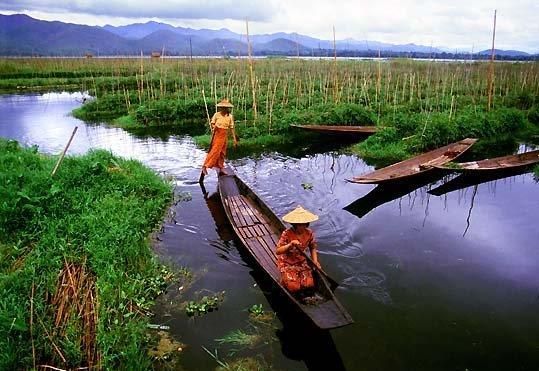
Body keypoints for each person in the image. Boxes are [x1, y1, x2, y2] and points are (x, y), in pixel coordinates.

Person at [276, 206, 321, 298]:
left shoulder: (309, 233)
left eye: (304, 224)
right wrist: (290, 244)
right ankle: (284, 280)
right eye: (299, 224)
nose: (302, 226)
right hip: (287, 262)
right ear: (295, 224)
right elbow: (278, 251)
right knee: (294, 288)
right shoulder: (287, 233)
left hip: (301, 261)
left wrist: (315, 261)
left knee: (308, 285)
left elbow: (313, 248)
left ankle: (294, 278)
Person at [201, 99, 238, 177]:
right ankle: (205, 166)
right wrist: (215, 127)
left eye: (225, 107)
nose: (223, 109)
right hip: (217, 134)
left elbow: (231, 128)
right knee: (215, 151)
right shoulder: (216, 115)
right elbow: (212, 123)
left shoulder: (230, 116)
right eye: (222, 107)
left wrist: (234, 139)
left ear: (228, 108)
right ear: (220, 108)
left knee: (222, 152)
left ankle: (221, 168)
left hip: (224, 135)